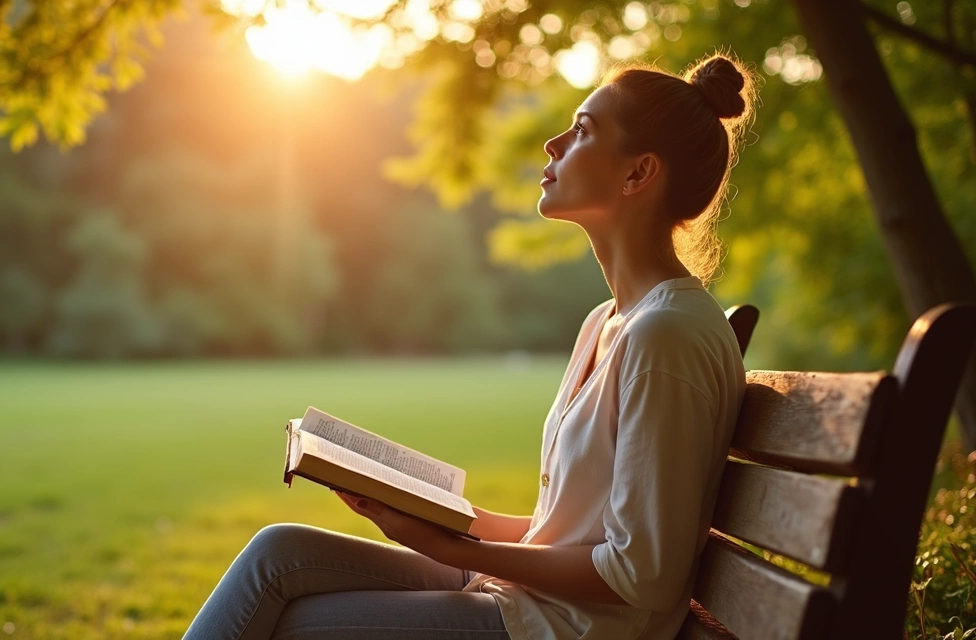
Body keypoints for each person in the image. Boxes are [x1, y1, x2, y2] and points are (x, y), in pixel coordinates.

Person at [183, 52, 755, 640]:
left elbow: (641, 575)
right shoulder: (608, 321)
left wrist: (443, 547)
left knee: (295, 627)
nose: (552, 145)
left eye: (582, 131)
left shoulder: (667, 337)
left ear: (637, 174)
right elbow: (573, 530)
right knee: (278, 553)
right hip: (530, 601)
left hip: (566, 627)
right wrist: (447, 519)